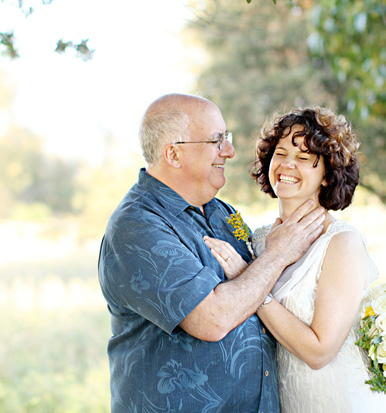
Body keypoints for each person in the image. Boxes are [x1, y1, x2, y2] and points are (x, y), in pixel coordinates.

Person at [98, 93, 325, 412]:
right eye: (217, 141)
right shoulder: (137, 226)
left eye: (227, 139)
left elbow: (258, 291)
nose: (230, 152)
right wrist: (278, 254)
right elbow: (213, 320)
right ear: (174, 154)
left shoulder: (223, 214)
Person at [204, 106, 386, 412]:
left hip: (341, 401)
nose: (287, 165)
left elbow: (320, 351)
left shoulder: (341, 243)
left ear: (326, 174)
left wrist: (250, 281)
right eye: (279, 153)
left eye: (305, 158)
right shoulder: (258, 240)